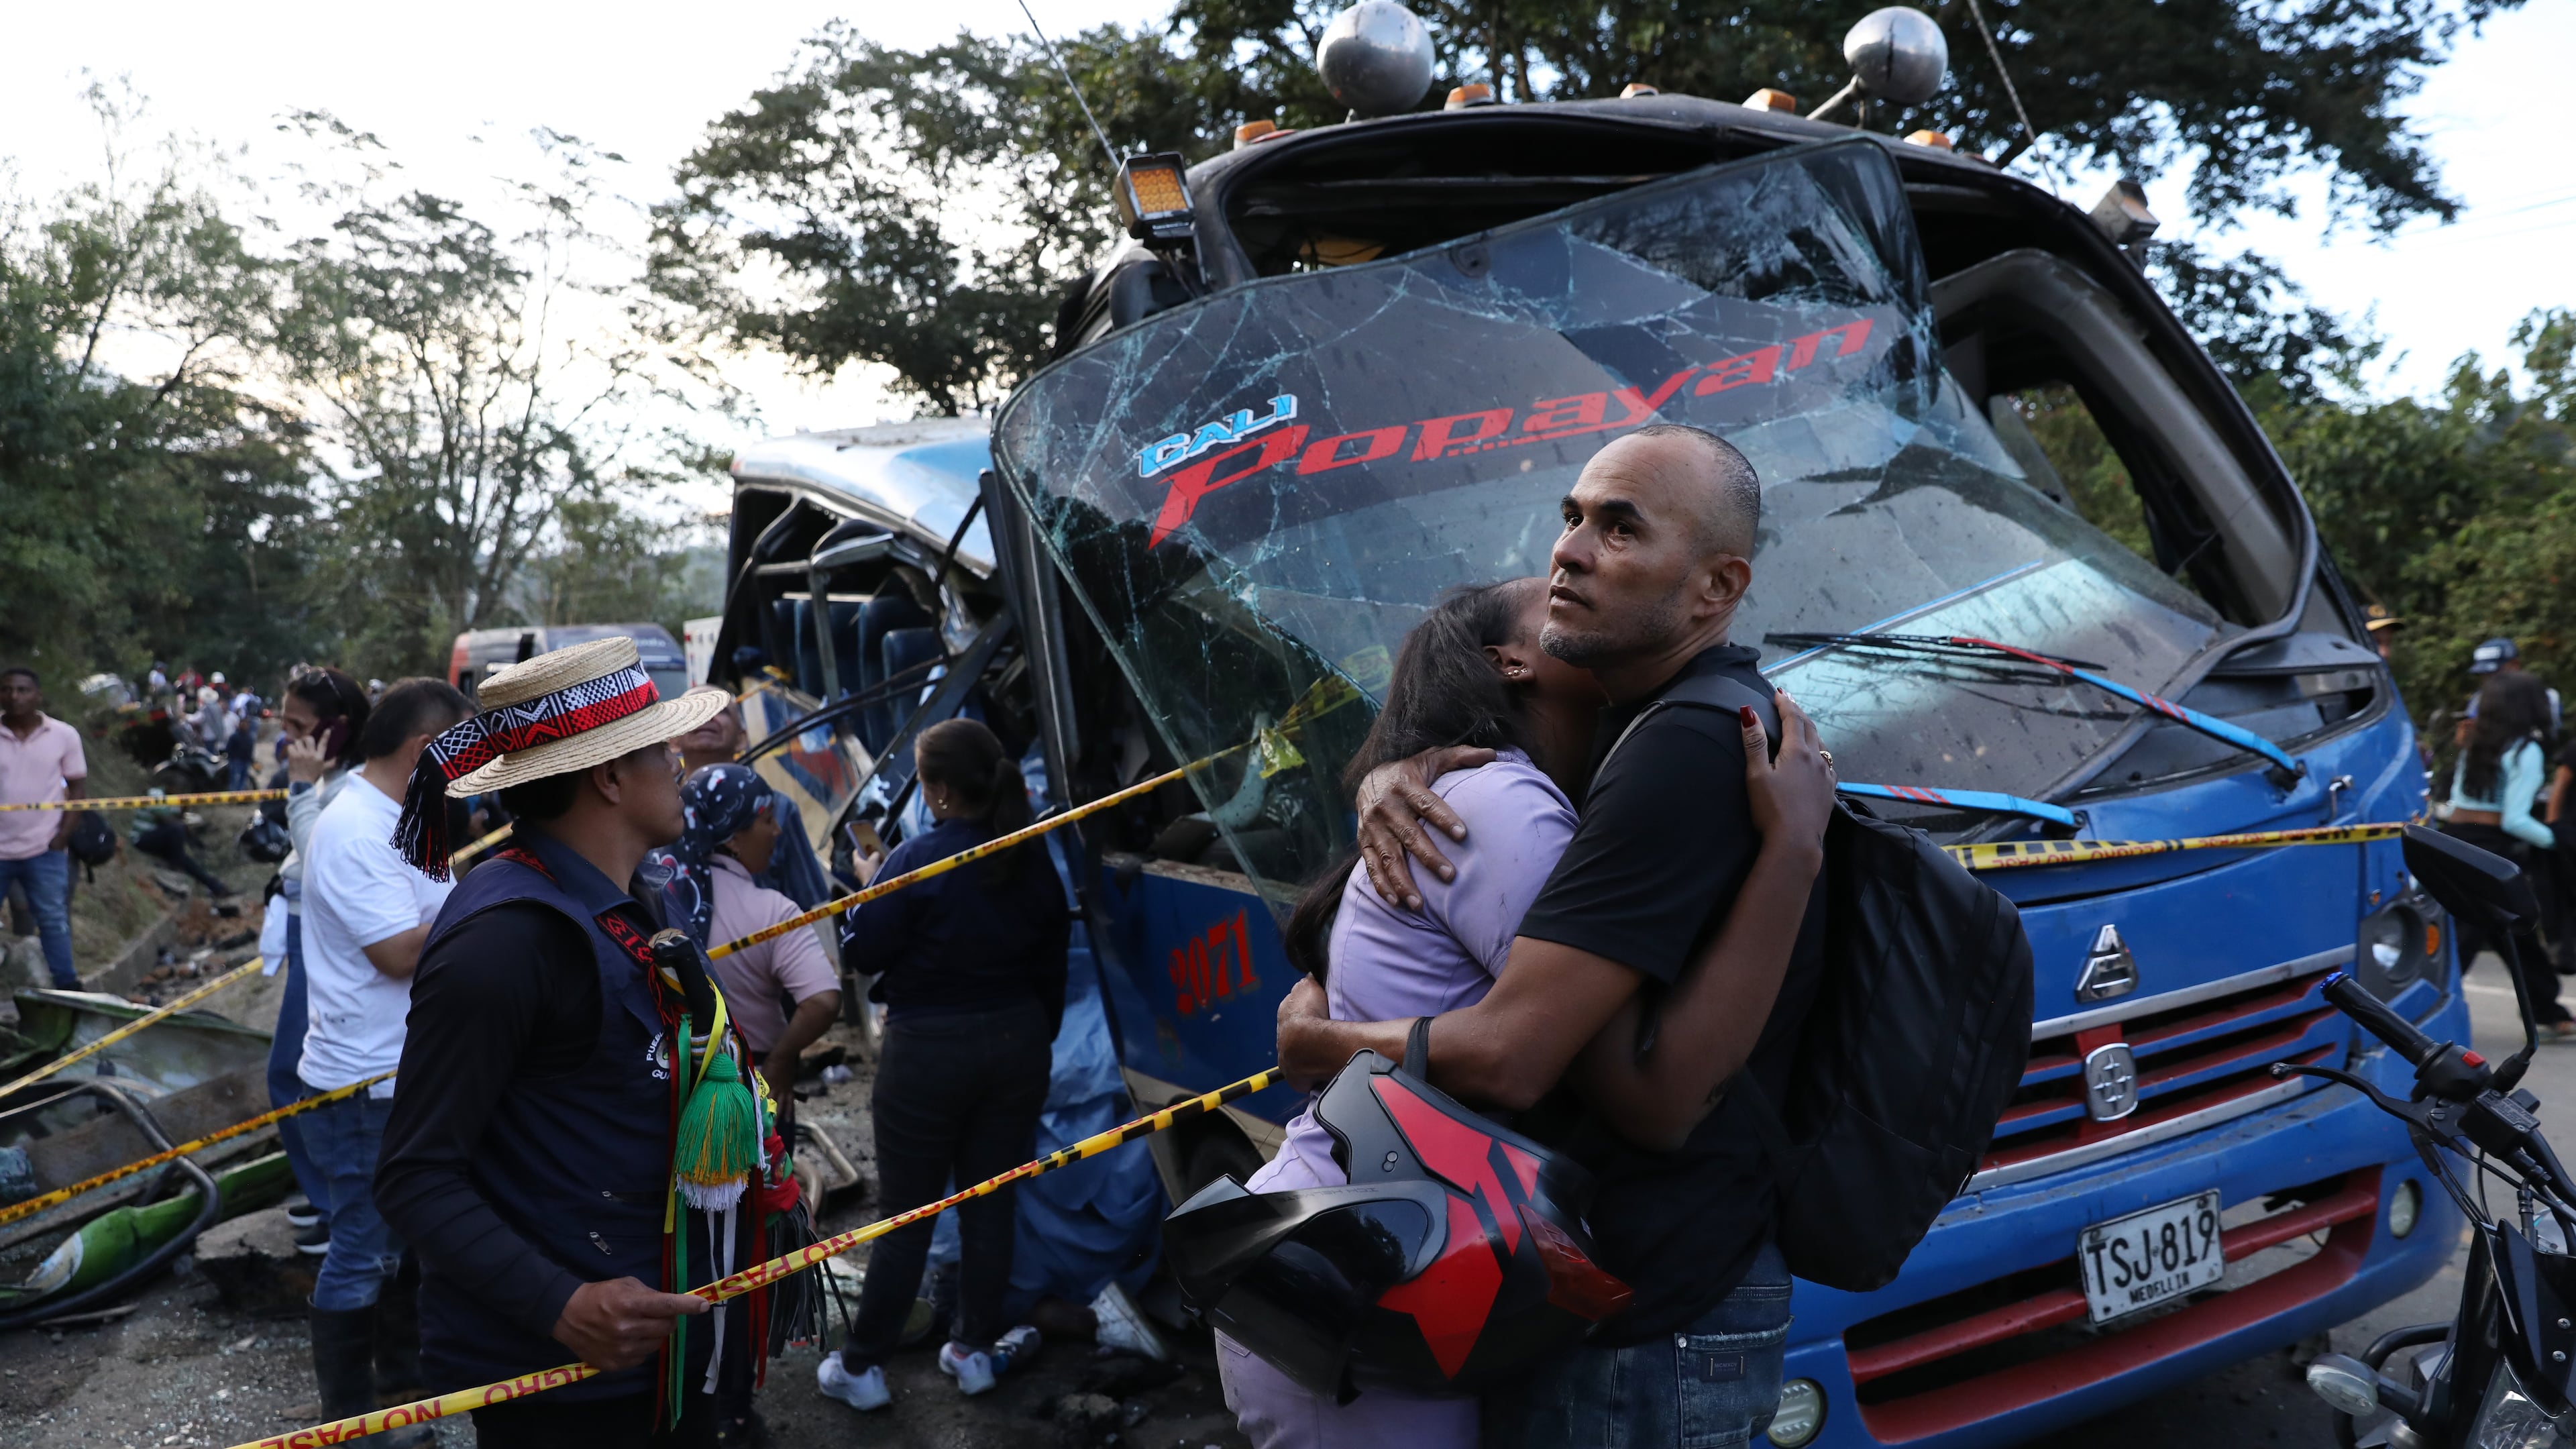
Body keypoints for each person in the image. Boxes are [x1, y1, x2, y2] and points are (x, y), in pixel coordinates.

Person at [1273, 425, 1833, 1448]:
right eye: (1571, 518)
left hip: (1652, 1302)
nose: (1569, 550)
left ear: (1717, 588)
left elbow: (1614, 1087)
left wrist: (1317, 1047)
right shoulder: (1635, 742)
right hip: (1619, 1288)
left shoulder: (1679, 746)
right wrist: (1389, 772)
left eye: (1620, 528)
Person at [373, 639, 748, 1447]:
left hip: (663, 1356)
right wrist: (561, 1304)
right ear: (608, 778)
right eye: (659, 747)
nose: (678, 761)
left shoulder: (629, 901)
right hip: (570, 1389)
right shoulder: (504, 942)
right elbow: (414, 1176)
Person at [816, 718, 1066, 1413]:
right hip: (1018, 1044)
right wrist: (1026, 1039)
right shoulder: (1029, 854)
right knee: (991, 1202)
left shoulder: (916, 861)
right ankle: (974, 1349)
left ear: (940, 791)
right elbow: (1051, 960)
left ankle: (863, 1367)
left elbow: (863, 954)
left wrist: (869, 886)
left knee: (907, 1216)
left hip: (928, 1051)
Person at [297, 678, 472, 1431]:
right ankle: (351, 1418)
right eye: (465, 749)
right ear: (425, 749)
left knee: (405, 1246)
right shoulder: (356, 828)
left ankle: (405, 1395)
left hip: (406, 1070)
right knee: (364, 1251)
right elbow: (400, 950)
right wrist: (493, 903)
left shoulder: (407, 817)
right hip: (366, 1082)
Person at [646, 763, 841, 1113]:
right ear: (733, 837)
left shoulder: (660, 901)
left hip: (674, 1087)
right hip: (757, 1086)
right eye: (767, 820)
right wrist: (782, 1060)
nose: (778, 830)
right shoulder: (773, 911)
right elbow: (823, 1001)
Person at [270, 667, 373, 1256]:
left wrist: (299, 786)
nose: (288, 739)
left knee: (294, 1071)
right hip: (298, 925)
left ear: (336, 731)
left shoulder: (346, 787)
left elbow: (318, 860)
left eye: (299, 727)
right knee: (292, 1070)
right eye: (282, 725)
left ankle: (340, 1207)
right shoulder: (335, 780)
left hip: (322, 935)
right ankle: (325, 1191)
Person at [2445, 669, 2573, 1038]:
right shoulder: (2524, 750)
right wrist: (2556, 840)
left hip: (2454, 838)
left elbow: (2456, 795)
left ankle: (2546, 1008)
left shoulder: (2473, 739)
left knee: (2513, 928)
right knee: (2471, 935)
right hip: (2490, 846)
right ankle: (2419, 1012)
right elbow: (2516, 819)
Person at [674, 701, 831, 908]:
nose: (707, 716)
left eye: (720, 711)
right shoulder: (658, 811)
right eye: (693, 709)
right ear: (674, 740)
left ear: (742, 739)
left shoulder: (781, 808)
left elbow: (805, 906)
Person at [0, 667, 89, 989]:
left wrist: (62, 837)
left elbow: (77, 789)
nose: (14, 696)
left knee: (53, 921)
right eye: (7, 690)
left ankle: (67, 989)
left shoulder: (64, 735)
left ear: (38, 696)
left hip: (45, 849)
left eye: (23, 690)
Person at [225, 704, 258, 790]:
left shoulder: (249, 737)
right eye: (243, 723)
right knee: (235, 780)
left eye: (246, 724)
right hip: (236, 761)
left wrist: (251, 760)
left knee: (243, 780)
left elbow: (250, 750)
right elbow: (229, 749)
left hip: (245, 761)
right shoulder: (234, 737)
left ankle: (240, 798)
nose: (245, 725)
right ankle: (232, 797)